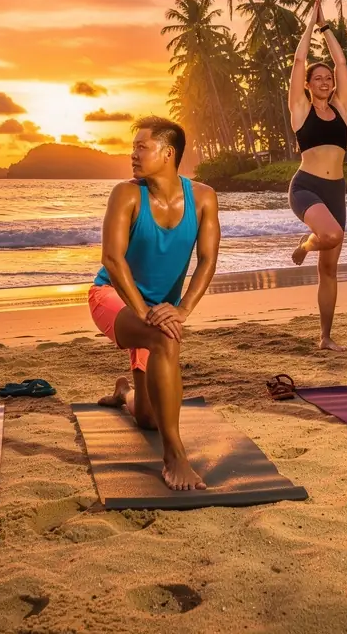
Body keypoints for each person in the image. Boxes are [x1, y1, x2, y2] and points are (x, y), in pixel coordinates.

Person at [90, 116, 221, 491]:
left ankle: (125, 392)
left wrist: (182, 309)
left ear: (168, 153)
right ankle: (174, 456)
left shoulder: (203, 197)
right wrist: (146, 311)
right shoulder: (127, 194)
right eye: (133, 147)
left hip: (159, 311)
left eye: (141, 147)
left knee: (148, 418)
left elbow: (208, 259)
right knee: (165, 338)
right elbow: (112, 261)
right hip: (113, 297)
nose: (133, 154)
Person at [287, 0, 347, 350]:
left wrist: (327, 28)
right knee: (329, 234)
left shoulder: (342, 109)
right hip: (306, 187)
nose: (326, 80)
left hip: (335, 190)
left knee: (329, 269)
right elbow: (298, 62)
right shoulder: (300, 109)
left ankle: (325, 337)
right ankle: (305, 244)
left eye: (328, 78)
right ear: (309, 84)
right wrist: (309, 27)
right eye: (319, 78)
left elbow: (342, 62)